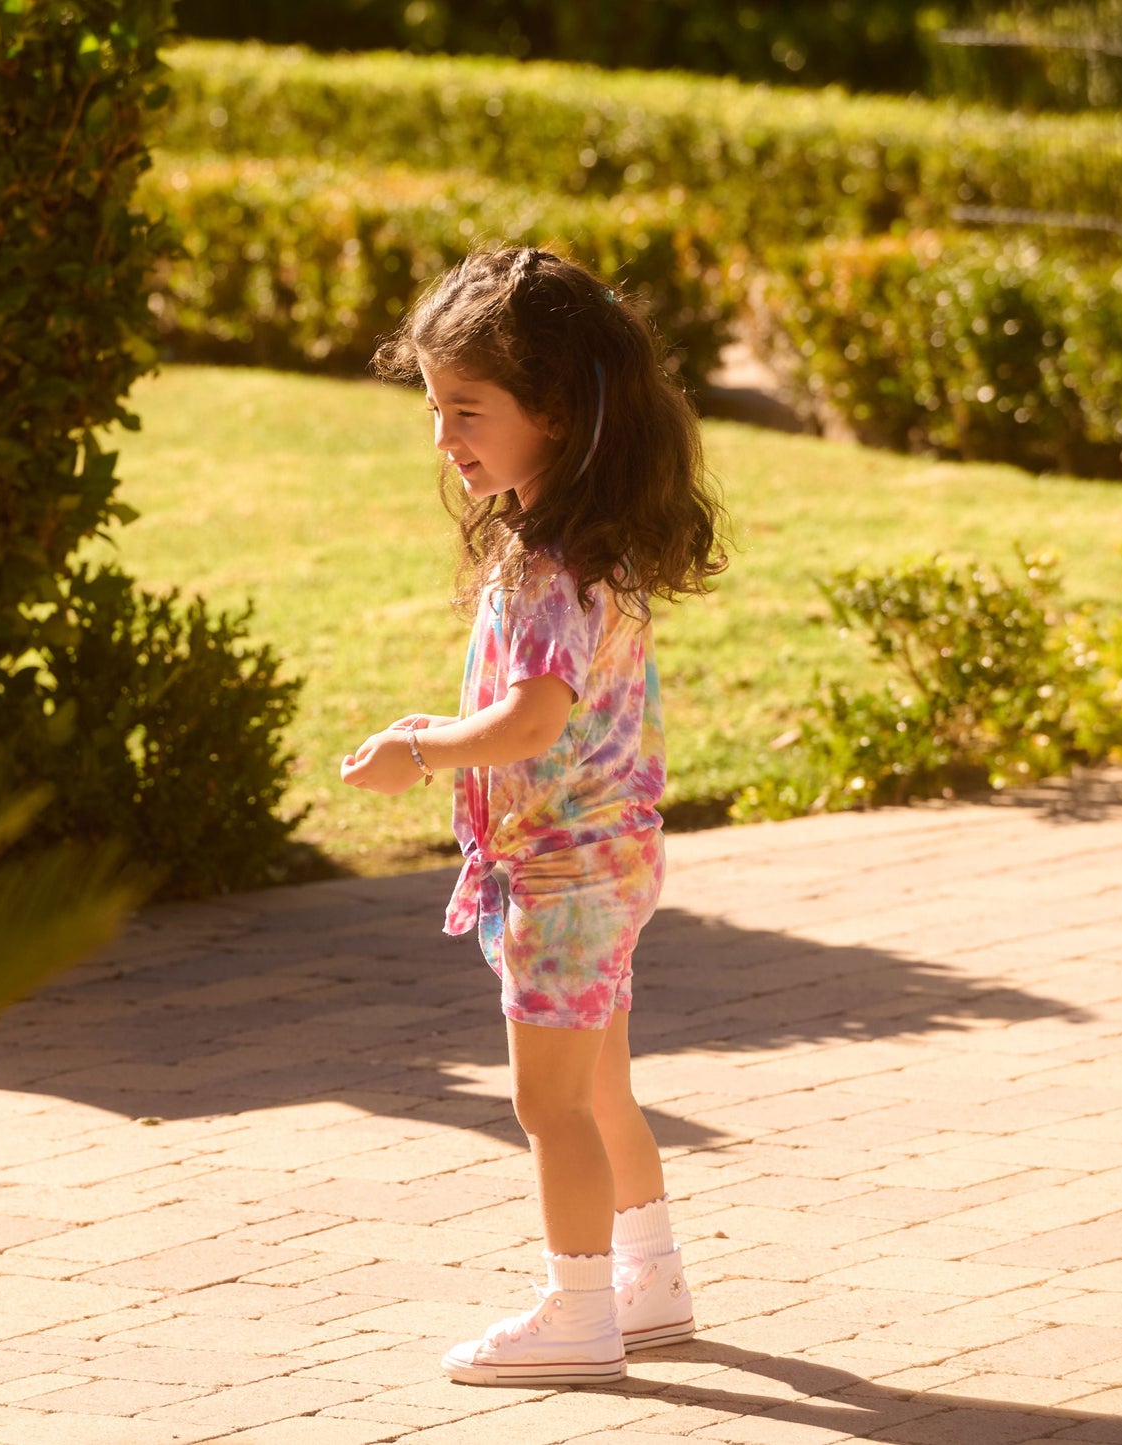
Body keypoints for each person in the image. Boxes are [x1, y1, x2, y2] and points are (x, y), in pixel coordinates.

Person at [340, 247, 728, 1387]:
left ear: (553, 413)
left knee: (545, 1102)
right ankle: (647, 1279)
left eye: (467, 409)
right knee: (600, 1082)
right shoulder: (579, 548)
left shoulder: (544, 567)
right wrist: (439, 721)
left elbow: (526, 720)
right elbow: (521, 709)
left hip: (561, 872)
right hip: (608, 859)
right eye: (432, 407)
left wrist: (417, 750)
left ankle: (575, 1307)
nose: (443, 437)